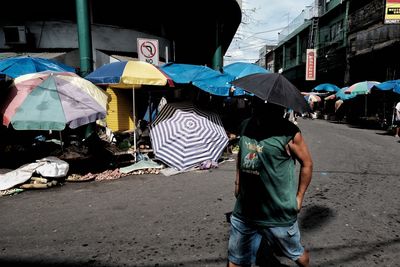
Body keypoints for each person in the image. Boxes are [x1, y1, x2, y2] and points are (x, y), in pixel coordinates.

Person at [227, 99, 313, 267]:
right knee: (235, 261)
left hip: (278, 212)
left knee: (297, 254)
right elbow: (242, 154)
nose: (257, 107)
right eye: (256, 104)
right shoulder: (246, 125)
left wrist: (299, 197)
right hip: (245, 211)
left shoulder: (289, 132)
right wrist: (237, 182)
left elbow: (307, 163)